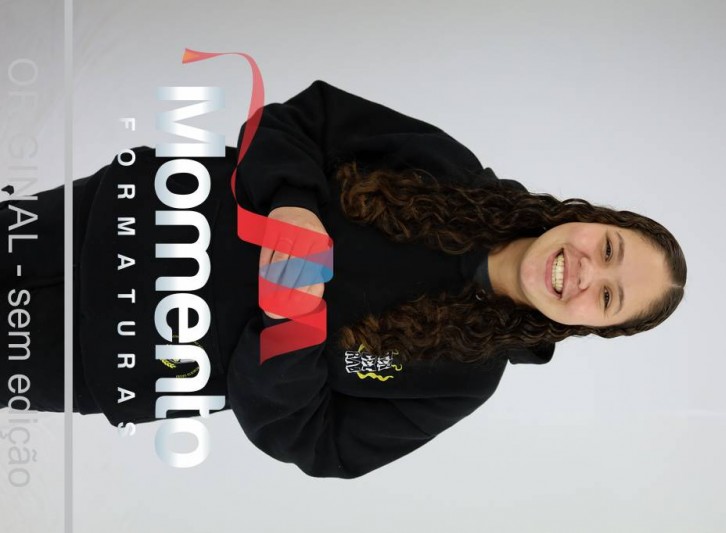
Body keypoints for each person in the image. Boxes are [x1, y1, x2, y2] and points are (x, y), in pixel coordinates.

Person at [1, 80, 686, 478]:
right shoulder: (451, 168)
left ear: (593, 327)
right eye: (608, 247)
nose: (586, 272)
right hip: (131, 220)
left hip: (125, 355)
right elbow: (302, 119)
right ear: (591, 218)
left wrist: (291, 330)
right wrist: (293, 203)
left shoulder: (464, 377)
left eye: (608, 297)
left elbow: (318, 442)